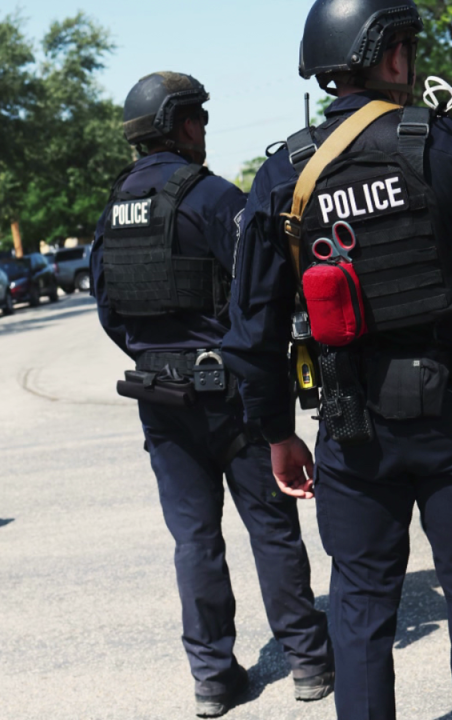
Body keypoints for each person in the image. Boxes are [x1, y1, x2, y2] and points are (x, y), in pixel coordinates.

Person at [222, 0, 452, 717]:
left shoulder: (285, 173)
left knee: (362, 608)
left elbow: (251, 334)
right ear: (392, 56)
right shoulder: (446, 142)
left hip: (351, 423)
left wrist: (278, 435)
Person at [91, 72, 333, 717]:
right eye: (197, 117)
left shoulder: (113, 208)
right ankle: (308, 661)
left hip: (158, 394)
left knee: (193, 538)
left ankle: (212, 676)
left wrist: (155, 356)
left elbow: (109, 310)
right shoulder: (215, 197)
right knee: (271, 527)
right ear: (179, 125)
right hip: (230, 388)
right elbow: (262, 293)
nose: (203, 129)